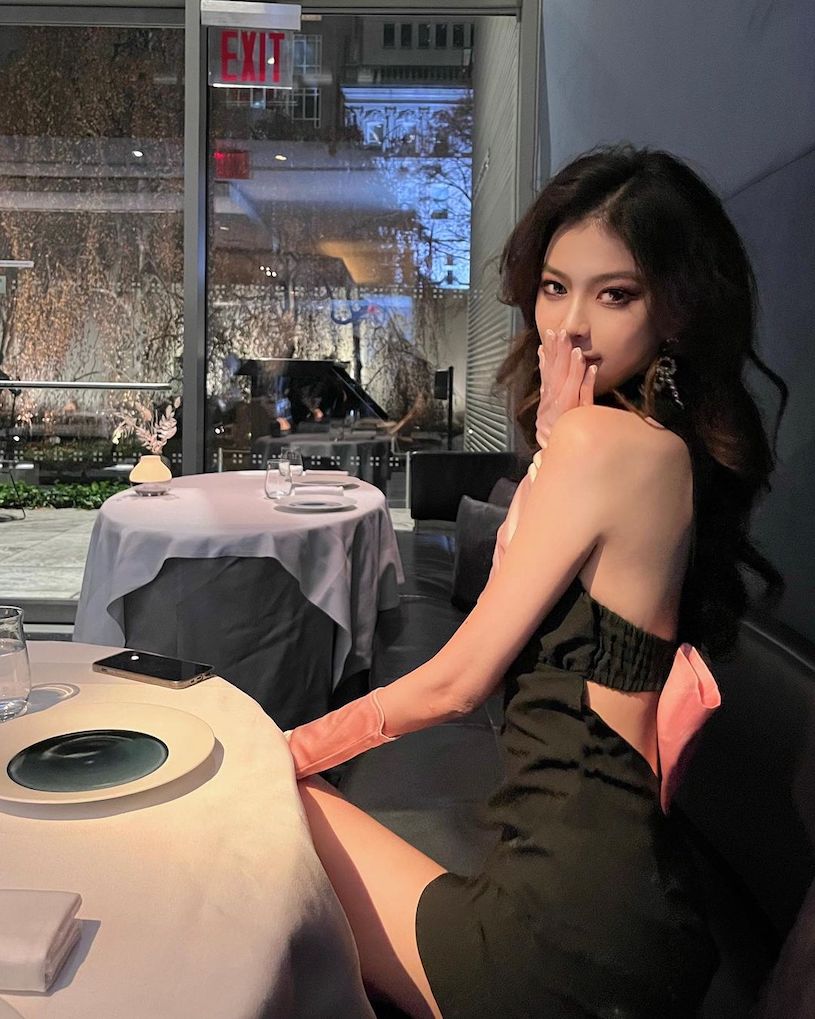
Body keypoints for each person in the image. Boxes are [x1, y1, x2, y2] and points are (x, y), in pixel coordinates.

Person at [285, 145, 787, 1019]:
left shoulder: (603, 444)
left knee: (263, 812)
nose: (571, 325)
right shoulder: (647, 448)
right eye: (555, 288)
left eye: (615, 293)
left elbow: (457, 682)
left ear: (675, 309)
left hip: (560, 933)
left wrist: (277, 747)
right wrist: (557, 435)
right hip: (626, 911)